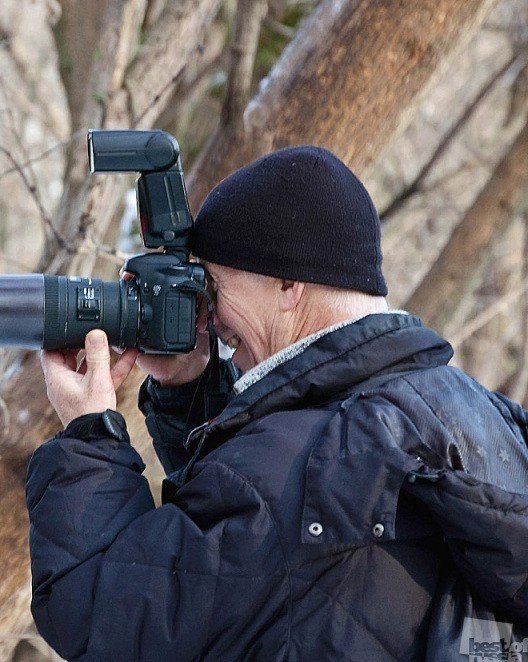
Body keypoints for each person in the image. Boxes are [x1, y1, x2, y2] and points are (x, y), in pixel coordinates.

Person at [28, 146, 528, 660]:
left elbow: (101, 613)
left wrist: (89, 435)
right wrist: (189, 390)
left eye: (214, 288)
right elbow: (259, 574)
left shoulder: (300, 466)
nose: (209, 317)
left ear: (289, 284)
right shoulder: (475, 415)